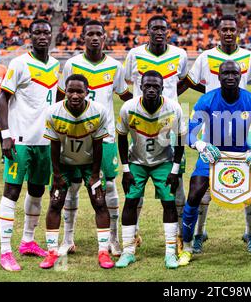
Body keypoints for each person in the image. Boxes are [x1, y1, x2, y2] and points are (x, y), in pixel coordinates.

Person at [178, 15, 251, 254]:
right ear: (218, 76)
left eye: (235, 74)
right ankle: (187, 244)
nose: (230, 77)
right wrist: (201, 146)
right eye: (225, 74)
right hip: (213, 148)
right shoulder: (207, 97)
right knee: (195, 191)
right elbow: (191, 134)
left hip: (242, 149)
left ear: (240, 75)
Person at [57, 20, 133, 257]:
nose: (94, 38)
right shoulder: (71, 64)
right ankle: (68, 238)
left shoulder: (115, 66)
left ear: (104, 37)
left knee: (109, 185)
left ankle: (113, 238)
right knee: (72, 187)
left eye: (98, 34)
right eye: (89, 34)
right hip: (74, 135)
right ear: (82, 37)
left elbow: (124, 96)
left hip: (106, 136)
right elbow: (61, 98)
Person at [0, 19, 59, 271]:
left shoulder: (55, 65)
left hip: (44, 142)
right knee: (11, 190)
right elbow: (2, 100)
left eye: (46, 32)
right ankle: (5, 251)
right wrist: (5, 135)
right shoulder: (19, 63)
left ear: (51, 35)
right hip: (19, 141)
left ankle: (28, 241)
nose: (42, 36)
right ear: (30, 36)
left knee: (37, 191)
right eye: (37, 33)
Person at [124, 15, 188, 252]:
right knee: (136, 177)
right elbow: (129, 85)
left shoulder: (180, 54)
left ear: (168, 31)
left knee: (175, 178)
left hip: (169, 123)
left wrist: (172, 104)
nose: (159, 32)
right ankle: (135, 233)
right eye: (155, 28)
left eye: (163, 28)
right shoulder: (134, 54)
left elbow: (183, 82)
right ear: (148, 30)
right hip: (140, 123)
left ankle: (180, 235)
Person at [39, 74, 114, 269]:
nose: (74, 95)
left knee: (99, 201)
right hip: (63, 162)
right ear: (65, 92)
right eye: (70, 91)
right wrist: (56, 174)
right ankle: (52, 252)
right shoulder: (53, 112)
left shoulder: (98, 111)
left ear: (87, 92)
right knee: (55, 203)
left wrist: (95, 175)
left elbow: (99, 145)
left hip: (89, 163)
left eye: (79, 91)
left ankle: (103, 251)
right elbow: (53, 146)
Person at [115, 70, 186, 269]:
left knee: (169, 202)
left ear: (163, 89)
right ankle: (128, 251)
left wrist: (174, 170)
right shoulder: (128, 108)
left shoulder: (173, 108)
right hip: (137, 161)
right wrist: (126, 169)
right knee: (130, 201)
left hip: (164, 161)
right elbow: (121, 137)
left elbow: (180, 140)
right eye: (147, 86)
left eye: (156, 86)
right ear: (140, 87)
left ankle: (170, 253)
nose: (151, 89)